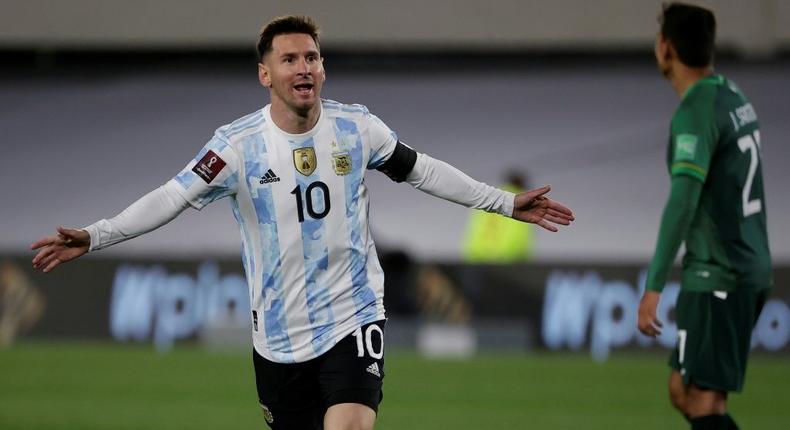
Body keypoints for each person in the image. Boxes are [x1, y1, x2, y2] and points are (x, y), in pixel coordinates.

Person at [30, 15, 575, 430]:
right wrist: (97, 234)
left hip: (353, 315)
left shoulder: (357, 128)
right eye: (290, 59)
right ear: (265, 74)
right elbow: (171, 197)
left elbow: (421, 170)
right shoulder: (235, 147)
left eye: (312, 57)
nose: (304, 68)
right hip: (278, 337)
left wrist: (502, 203)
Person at [637, 4, 771, 430]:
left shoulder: (695, 113)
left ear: (666, 48)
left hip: (719, 275)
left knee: (699, 398)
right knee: (688, 391)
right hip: (746, 265)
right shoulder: (731, 95)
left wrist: (654, 285)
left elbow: (683, 202)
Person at [462, 169, 535, 263]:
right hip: (507, 260)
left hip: (477, 257)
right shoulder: (521, 203)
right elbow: (520, 237)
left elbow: (475, 229)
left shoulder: (488, 198)